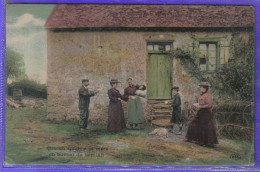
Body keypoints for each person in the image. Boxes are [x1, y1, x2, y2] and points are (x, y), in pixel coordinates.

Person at [185, 82, 218, 147]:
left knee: (205, 127)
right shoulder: (201, 95)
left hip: (206, 112)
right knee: (193, 124)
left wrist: (200, 106)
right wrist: (198, 105)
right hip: (201, 112)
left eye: (201, 87)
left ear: (205, 88)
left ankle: (207, 143)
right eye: (200, 87)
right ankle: (191, 138)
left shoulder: (208, 95)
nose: (200, 88)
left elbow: (209, 105)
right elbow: (201, 103)